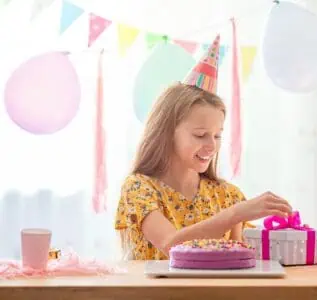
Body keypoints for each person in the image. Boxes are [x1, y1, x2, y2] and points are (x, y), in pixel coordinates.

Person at [115, 34, 292, 260]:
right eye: (200, 135)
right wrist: (235, 214)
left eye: (217, 136)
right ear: (167, 132)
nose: (211, 146)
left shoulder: (227, 195)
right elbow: (170, 246)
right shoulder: (139, 189)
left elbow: (246, 261)